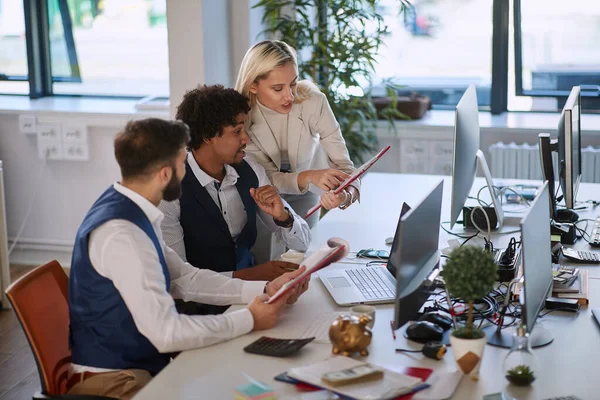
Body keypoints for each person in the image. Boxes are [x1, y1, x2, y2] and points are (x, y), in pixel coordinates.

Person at [67, 118, 309, 399]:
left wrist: (265, 290)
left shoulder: (130, 205)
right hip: (118, 381)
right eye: (183, 162)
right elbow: (166, 332)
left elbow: (183, 276)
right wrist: (249, 319)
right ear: (164, 174)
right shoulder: (124, 235)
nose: (187, 171)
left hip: (144, 366)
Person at [159, 84, 311, 286]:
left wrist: (283, 217)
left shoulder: (250, 169)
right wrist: (252, 276)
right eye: (237, 131)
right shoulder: (169, 190)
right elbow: (179, 280)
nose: (245, 138)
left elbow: (302, 243)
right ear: (208, 136)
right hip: (200, 308)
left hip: (253, 291)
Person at [235, 39, 361, 228]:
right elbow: (268, 177)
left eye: (293, 84)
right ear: (253, 86)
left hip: (306, 194)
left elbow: (344, 165)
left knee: (304, 252)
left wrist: (345, 195)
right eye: (278, 88)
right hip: (262, 195)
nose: (289, 96)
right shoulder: (241, 118)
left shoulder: (314, 102)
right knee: (267, 255)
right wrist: (310, 176)